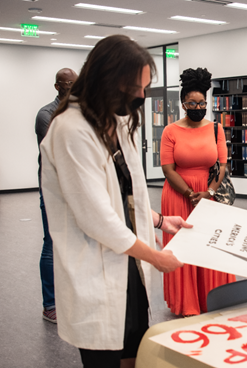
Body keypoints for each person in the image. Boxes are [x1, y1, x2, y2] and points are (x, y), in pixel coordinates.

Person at [40, 35, 189, 368]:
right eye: (135, 87)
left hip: (128, 266)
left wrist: (161, 221)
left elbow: (125, 196)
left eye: (145, 88)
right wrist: (155, 256)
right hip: (97, 268)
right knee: (104, 356)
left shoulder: (117, 122)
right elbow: (97, 218)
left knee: (133, 353)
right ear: (108, 79)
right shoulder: (71, 130)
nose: (140, 96)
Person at [160, 67, 235, 316]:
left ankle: (212, 298)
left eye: (202, 102)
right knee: (184, 247)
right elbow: (168, 169)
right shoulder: (170, 131)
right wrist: (190, 194)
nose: (197, 106)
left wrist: (209, 193)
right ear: (183, 104)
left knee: (211, 245)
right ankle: (187, 303)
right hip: (178, 194)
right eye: (192, 103)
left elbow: (222, 165)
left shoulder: (216, 128)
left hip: (208, 194)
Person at [35, 67, 78, 323]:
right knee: (51, 245)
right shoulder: (46, 115)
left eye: (75, 82)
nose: (71, 87)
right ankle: (50, 304)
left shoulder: (78, 113)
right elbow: (59, 151)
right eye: (66, 83)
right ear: (57, 86)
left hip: (76, 188)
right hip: (53, 190)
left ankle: (69, 299)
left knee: (74, 244)